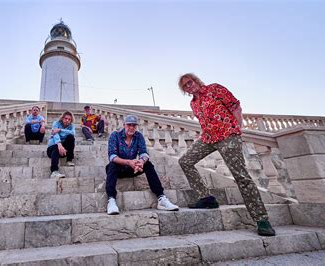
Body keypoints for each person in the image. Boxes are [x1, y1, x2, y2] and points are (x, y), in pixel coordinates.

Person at [177, 73, 275, 236]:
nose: (189, 86)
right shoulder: (193, 103)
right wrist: (202, 135)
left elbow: (235, 106)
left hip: (228, 135)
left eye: (190, 82)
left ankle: (262, 219)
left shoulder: (214, 89)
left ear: (196, 80)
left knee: (241, 176)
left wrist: (237, 129)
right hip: (208, 138)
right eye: (185, 85)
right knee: (185, 161)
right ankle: (206, 198)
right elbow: (205, 121)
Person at [106, 115, 179, 215]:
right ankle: (111, 200)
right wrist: (129, 162)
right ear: (124, 125)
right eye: (129, 125)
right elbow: (112, 156)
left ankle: (161, 198)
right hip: (119, 169)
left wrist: (141, 162)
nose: (131, 127)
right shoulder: (115, 135)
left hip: (134, 168)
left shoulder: (138, 136)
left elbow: (144, 153)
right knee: (111, 165)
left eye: (134, 125)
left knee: (148, 164)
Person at [47, 111, 76, 178]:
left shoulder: (71, 126)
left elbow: (73, 133)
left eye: (69, 119)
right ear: (62, 118)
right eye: (66, 118)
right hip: (52, 149)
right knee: (56, 147)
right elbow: (55, 134)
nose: (67, 120)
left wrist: (60, 130)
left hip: (63, 151)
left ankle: (69, 160)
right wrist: (59, 144)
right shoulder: (56, 123)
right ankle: (54, 172)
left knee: (71, 137)